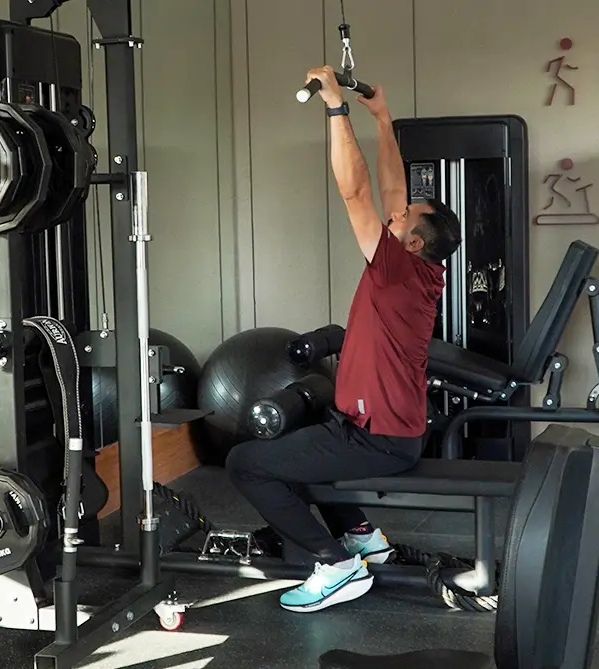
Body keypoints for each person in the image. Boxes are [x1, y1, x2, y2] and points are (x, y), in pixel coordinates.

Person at [225, 66, 462, 613]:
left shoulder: (397, 270)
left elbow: (356, 193)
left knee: (246, 463)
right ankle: (361, 536)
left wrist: (336, 108)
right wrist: (382, 118)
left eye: (404, 218)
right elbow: (391, 191)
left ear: (414, 240)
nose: (395, 213)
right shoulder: (417, 266)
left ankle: (334, 564)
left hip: (378, 440)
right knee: (296, 437)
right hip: (378, 428)